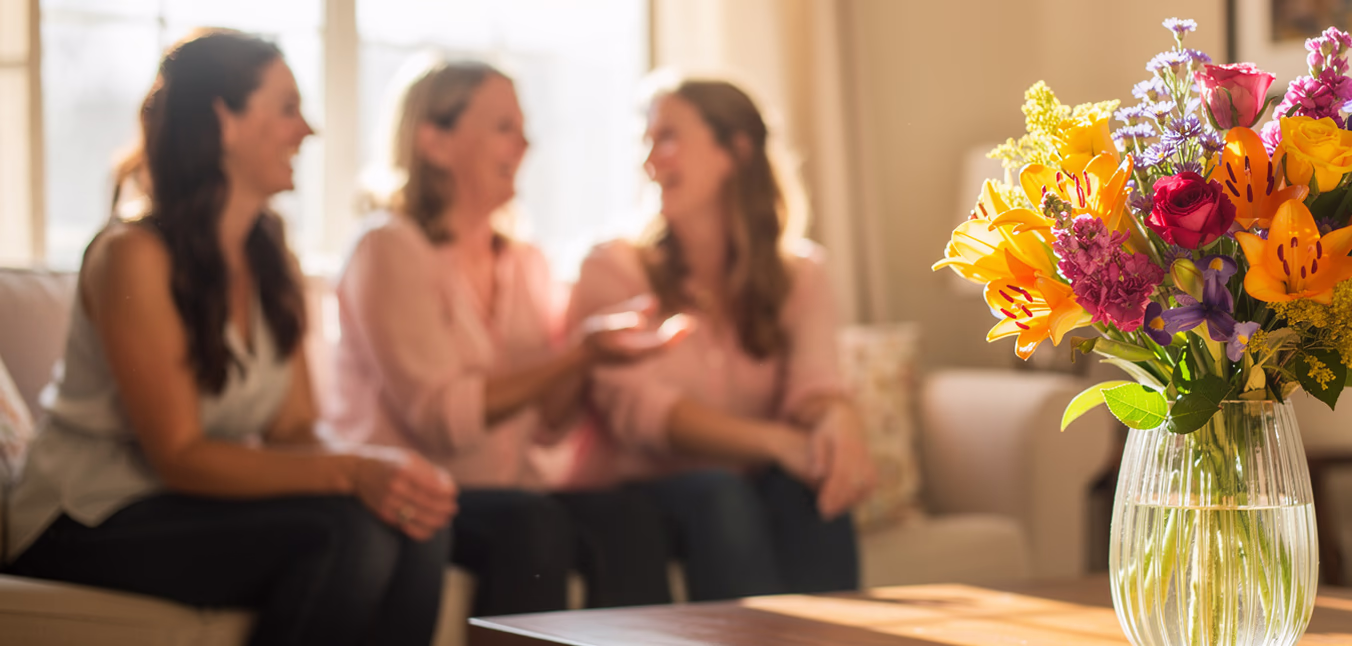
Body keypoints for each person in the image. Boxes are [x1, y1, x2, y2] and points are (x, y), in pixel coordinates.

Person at [3, 29, 454, 646]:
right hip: (82, 515)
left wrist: (382, 474)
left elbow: (293, 430)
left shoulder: (272, 256)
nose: (309, 131)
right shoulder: (131, 254)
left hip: (178, 507)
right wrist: (351, 472)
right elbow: (179, 454)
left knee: (412, 523)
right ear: (225, 120)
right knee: (344, 531)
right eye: (288, 109)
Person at [328, 58, 681, 615]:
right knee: (530, 521)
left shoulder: (527, 261)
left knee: (627, 516)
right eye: (504, 127)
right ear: (435, 142)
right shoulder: (387, 249)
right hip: (422, 495)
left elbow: (545, 425)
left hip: (513, 492)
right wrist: (578, 354)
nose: (525, 145)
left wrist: (595, 358)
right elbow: (442, 419)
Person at [558, 77, 876, 601]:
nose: (648, 162)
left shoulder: (802, 273)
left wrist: (839, 421)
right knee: (722, 494)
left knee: (808, 482)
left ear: (735, 151)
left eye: (667, 138)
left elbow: (814, 383)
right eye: (645, 142)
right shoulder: (613, 266)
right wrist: (777, 442)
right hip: (638, 493)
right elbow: (641, 412)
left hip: (751, 489)